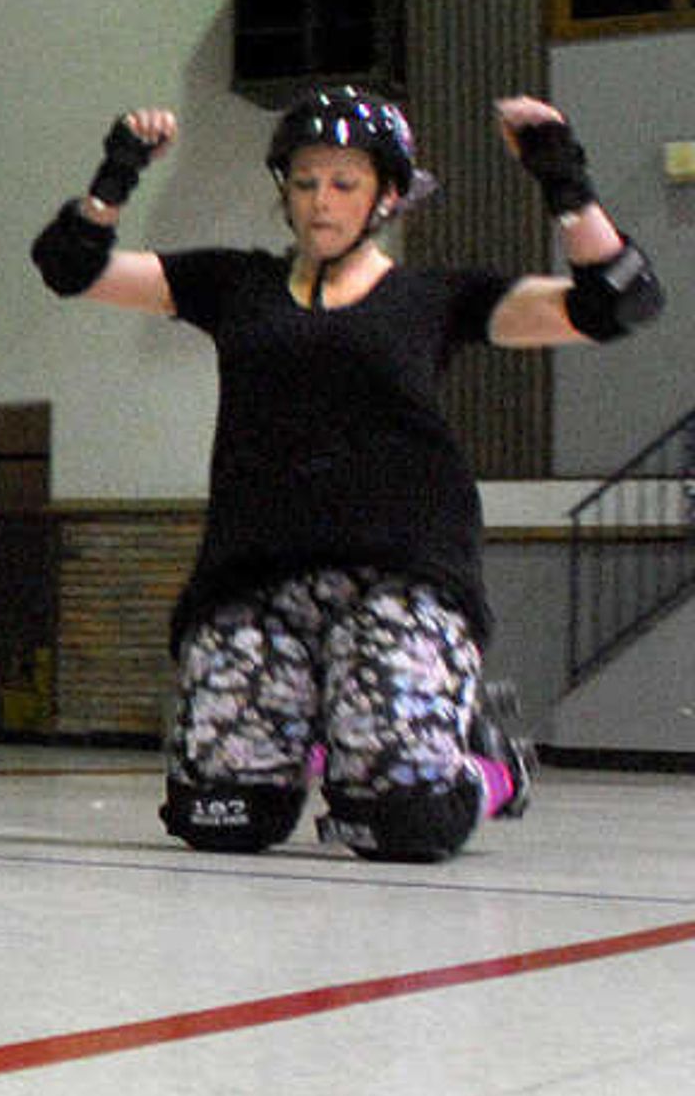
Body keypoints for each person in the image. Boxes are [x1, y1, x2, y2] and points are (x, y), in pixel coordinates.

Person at [32, 87, 664, 861]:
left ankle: (490, 765)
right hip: (255, 578)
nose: (320, 202)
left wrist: (563, 179)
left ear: (388, 194)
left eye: (344, 183)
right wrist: (118, 174)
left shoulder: (435, 299)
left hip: (401, 574)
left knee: (406, 824)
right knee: (220, 816)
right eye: (304, 182)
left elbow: (619, 300)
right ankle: (320, 731)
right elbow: (69, 268)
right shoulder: (236, 286)